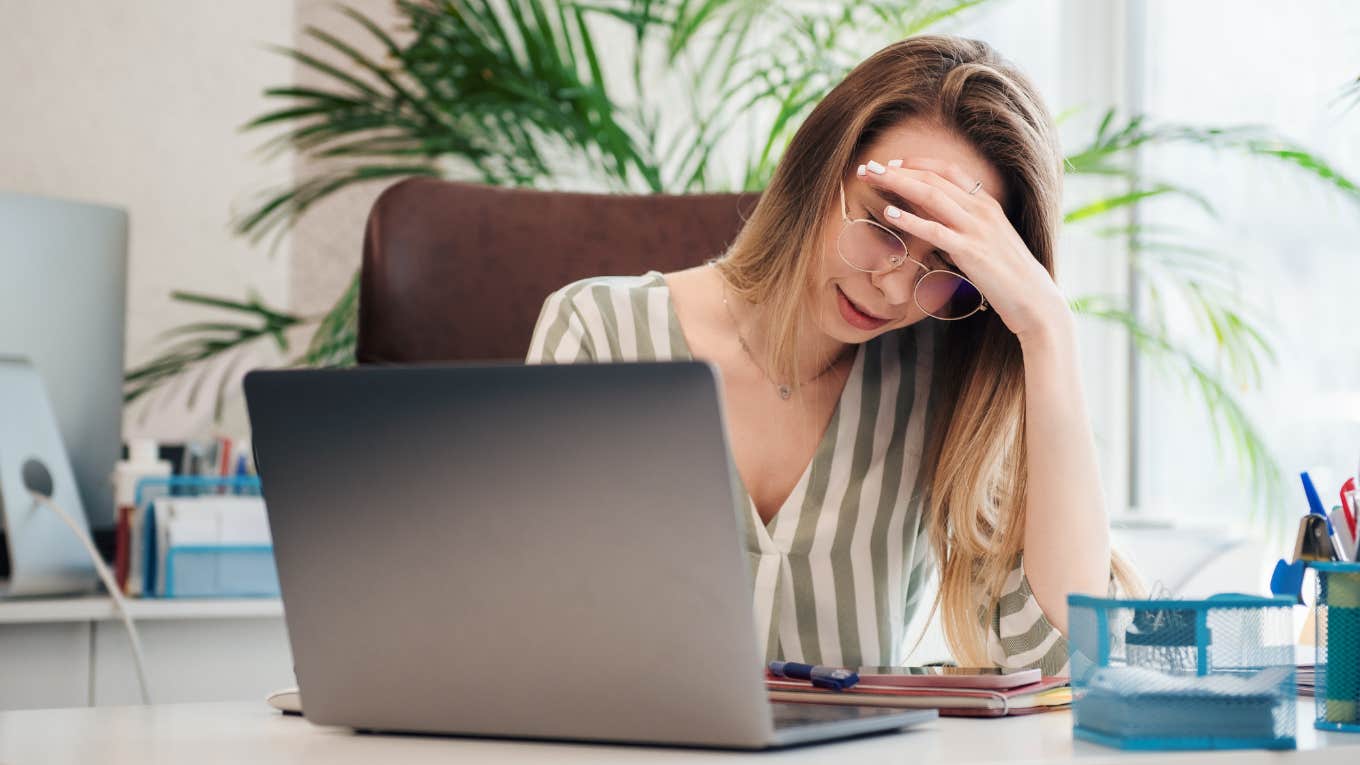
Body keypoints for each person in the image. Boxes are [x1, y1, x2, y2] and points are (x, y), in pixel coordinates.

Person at [525, 34, 1137, 675]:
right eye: (887, 225)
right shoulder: (600, 332)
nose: (898, 289)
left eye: (949, 265)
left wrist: (1049, 332)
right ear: (820, 171)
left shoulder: (938, 379)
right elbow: (525, 617)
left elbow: (1067, 656)